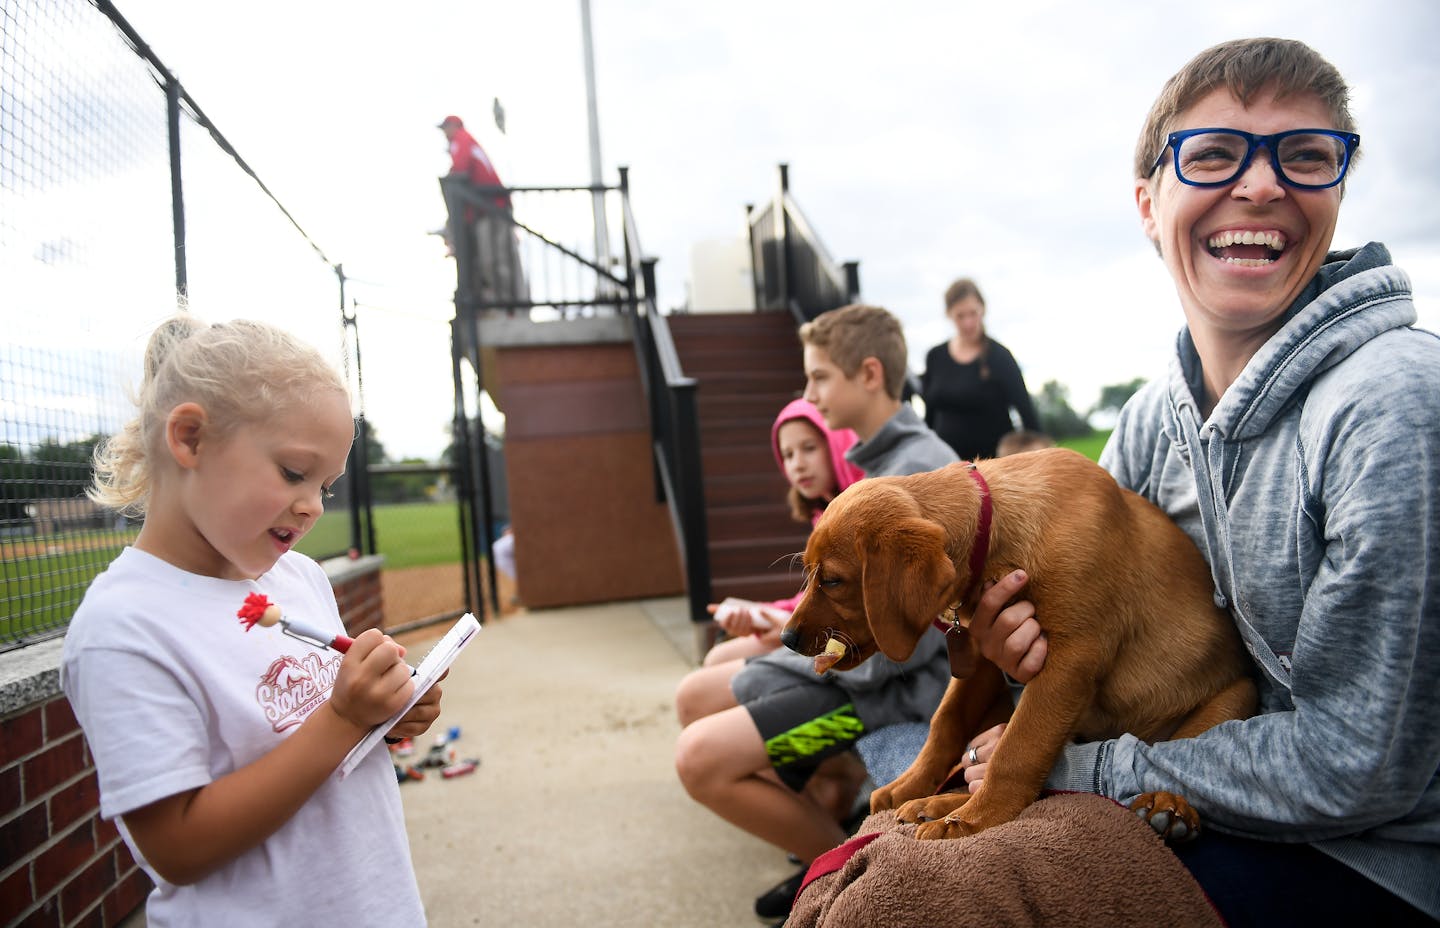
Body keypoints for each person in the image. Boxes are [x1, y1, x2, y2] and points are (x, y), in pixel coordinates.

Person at [965, 37, 1440, 924]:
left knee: (940, 899)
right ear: (1149, 203)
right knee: (876, 863)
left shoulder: (1392, 404)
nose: (1261, 185)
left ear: (1337, 190)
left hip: (1377, 859)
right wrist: (1017, 643)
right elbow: (1077, 644)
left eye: (1304, 157)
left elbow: (1359, 768)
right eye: (1215, 153)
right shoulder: (1151, 419)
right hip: (1195, 792)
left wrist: (1080, 768)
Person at [60, 315, 442, 925]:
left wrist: (387, 715)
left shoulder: (300, 579)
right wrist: (344, 718)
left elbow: (307, 737)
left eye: (326, 484)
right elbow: (178, 848)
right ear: (189, 439)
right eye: (294, 473)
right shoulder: (124, 628)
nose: (312, 504)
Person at [674, 304, 957, 921]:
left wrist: (795, 649)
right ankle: (825, 858)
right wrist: (787, 643)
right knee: (701, 694)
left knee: (700, 758)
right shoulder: (880, 464)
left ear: (871, 374)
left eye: (819, 378)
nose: (809, 394)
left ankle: (842, 876)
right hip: (860, 679)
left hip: (890, 696)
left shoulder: (911, 472)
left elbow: (897, 654)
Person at [678, 397, 863, 684]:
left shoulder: (857, 512)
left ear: (837, 444)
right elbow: (813, 595)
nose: (798, 464)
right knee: (717, 658)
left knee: (704, 680)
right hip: (816, 632)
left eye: (809, 448)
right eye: (787, 455)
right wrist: (765, 613)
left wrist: (782, 622)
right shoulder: (822, 514)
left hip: (844, 649)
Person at [920, 278, 1041, 460]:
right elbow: (929, 418)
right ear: (948, 314)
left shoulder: (999, 356)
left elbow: (1027, 414)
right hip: (945, 468)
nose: (968, 323)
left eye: (973, 314)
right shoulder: (935, 357)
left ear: (982, 309)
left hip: (993, 469)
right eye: (960, 316)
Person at [438, 114, 524, 306]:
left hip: (492, 209)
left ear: (454, 126)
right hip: (487, 210)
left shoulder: (461, 139)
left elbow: (460, 169)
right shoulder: (464, 141)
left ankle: (506, 306)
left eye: (446, 128)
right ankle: (502, 302)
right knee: (491, 260)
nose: (444, 133)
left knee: (495, 260)